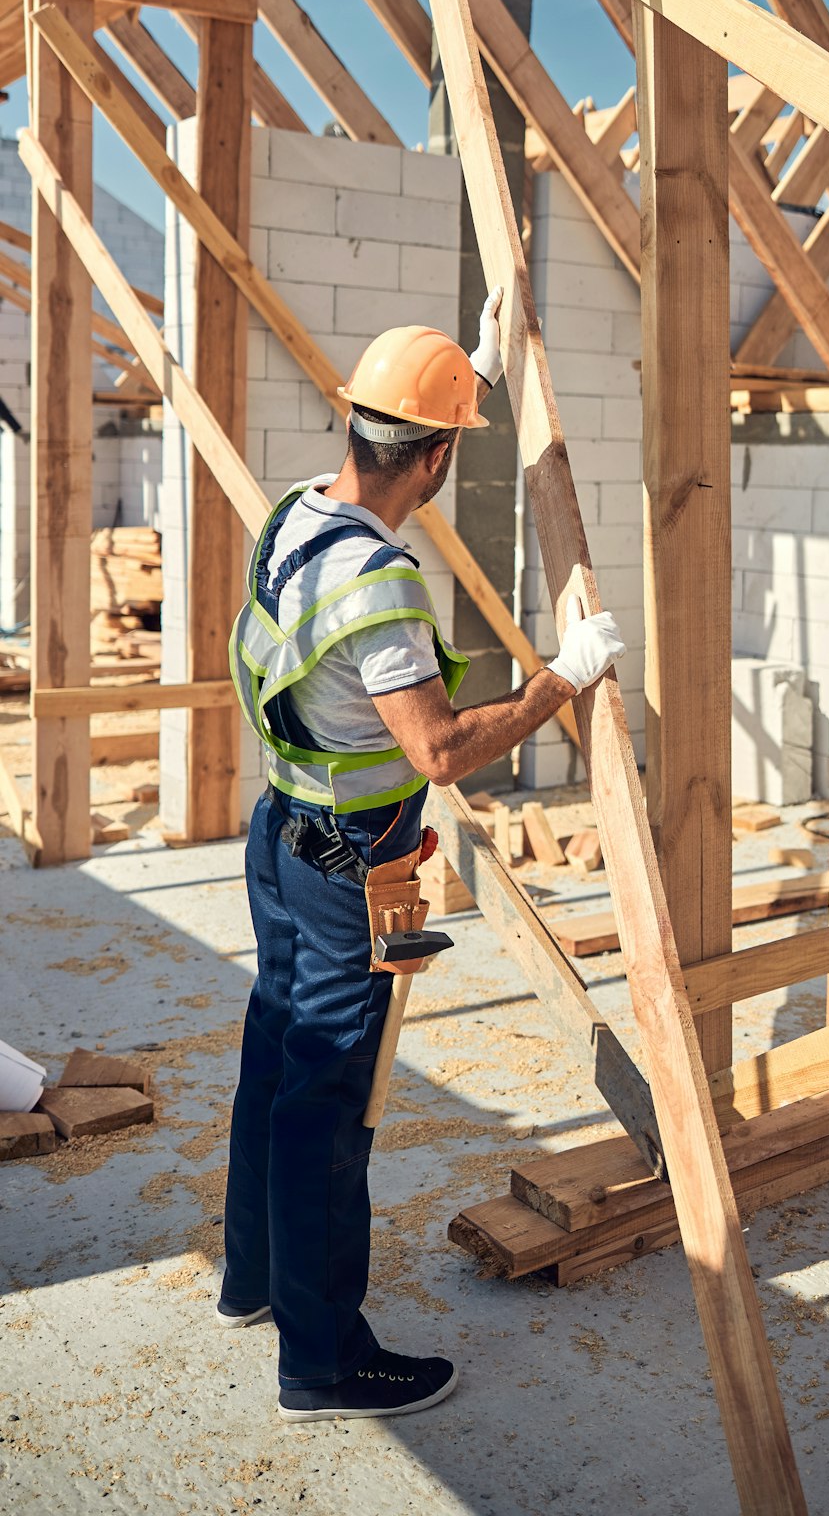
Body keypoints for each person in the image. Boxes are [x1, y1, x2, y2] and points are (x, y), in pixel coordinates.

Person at [220, 288, 625, 1422]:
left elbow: (409, 430)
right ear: (439, 456)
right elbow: (441, 748)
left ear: (356, 427)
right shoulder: (381, 587)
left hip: (283, 836)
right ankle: (322, 1361)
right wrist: (561, 678)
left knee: (274, 1060)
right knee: (328, 1109)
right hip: (351, 865)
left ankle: (252, 1280)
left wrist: (474, 369)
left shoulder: (301, 513)